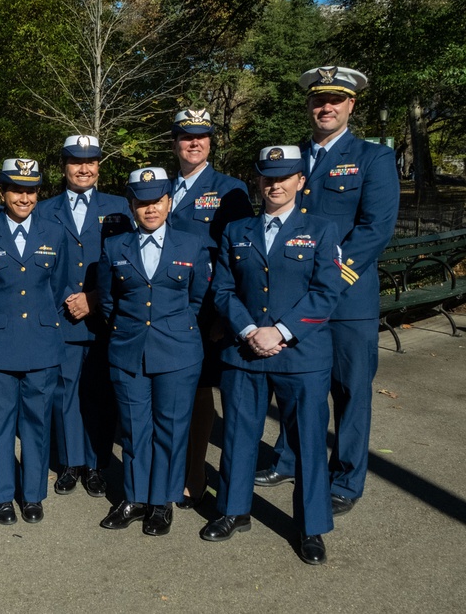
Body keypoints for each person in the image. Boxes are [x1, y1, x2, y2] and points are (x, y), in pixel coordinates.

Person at [254, 67, 399, 517]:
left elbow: (376, 229)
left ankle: (347, 477)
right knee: (298, 387)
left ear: (351, 105)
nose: (327, 107)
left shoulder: (373, 157)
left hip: (349, 301)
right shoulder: (293, 158)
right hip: (297, 303)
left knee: (351, 391)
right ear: (309, 105)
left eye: (336, 99)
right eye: (319, 100)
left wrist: (331, 278)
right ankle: (290, 458)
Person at [203, 145, 342, 565]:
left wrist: (279, 332)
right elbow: (223, 290)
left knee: (309, 444)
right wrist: (249, 331)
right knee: (238, 436)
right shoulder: (236, 231)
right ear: (258, 182)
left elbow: (326, 293)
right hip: (245, 353)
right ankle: (232, 510)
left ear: (301, 181)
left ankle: (311, 527)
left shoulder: (321, 229)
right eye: (267, 177)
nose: (274, 184)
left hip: (301, 356)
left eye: (284, 177)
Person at [97, 167, 210, 535]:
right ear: (131, 205)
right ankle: (134, 497)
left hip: (177, 352)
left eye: (157, 201)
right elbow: (109, 302)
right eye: (142, 202)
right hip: (129, 350)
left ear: (169, 201)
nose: (150, 209)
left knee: (171, 428)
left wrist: (171, 327)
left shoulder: (192, 245)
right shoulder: (114, 247)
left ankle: (161, 502)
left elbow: (197, 299)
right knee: (133, 428)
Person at [0, 159, 69, 525]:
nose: (24, 198)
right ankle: (1, 494)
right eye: (16, 190)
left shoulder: (55, 233)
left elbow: (58, 288)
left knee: (38, 423)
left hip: (41, 343)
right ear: (2, 193)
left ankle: (33, 494)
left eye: (31, 190)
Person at [166, 109, 253, 507]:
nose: (194, 143)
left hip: (206, 311)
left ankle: (195, 471)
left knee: (202, 392)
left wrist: (223, 313)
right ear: (175, 143)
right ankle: (170, 470)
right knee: (171, 391)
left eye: (202, 136)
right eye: (186, 137)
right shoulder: (163, 187)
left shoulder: (229, 189)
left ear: (211, 142)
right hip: (167, 307)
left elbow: (240, 256)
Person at [37, 135, 131, 497]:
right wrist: (68, 297)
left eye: (91, 161)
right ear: (64, 166)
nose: (84, 168)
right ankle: (70, 463)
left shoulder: (121, 207)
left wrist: (94, 297)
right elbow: (39, 263)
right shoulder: (46, 209)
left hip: (105, 316)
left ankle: (96, 464)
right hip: (63, 315)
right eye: (76, 161)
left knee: (101, 393)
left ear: (99, 166)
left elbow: (130, 261)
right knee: (66, 391)